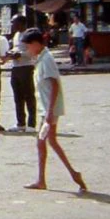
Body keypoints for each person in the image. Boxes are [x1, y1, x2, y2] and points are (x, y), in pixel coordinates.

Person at [21, 29, 87, 192]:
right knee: (47, 142)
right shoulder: (42, 58)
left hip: (49, 109)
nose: (28, 49)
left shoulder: (47, 60)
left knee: (45, 141)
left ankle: (68, 175)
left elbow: (55, 85)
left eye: (29, 45)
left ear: (36, 44)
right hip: (47, 108)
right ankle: (51, 177)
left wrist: (50, 112)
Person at [4, 15, 37, 133]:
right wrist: (11, 53)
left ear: (21, 23)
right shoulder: (16, 35)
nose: (12, 25)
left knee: (29, 96)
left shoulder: (29, 35)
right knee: (18, 97)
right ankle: (20, 123)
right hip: (16, 67)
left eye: (14, 23)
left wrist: (21, 55)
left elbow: (32, 51)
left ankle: (32, 124)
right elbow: (16, 48)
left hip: (26, 67)